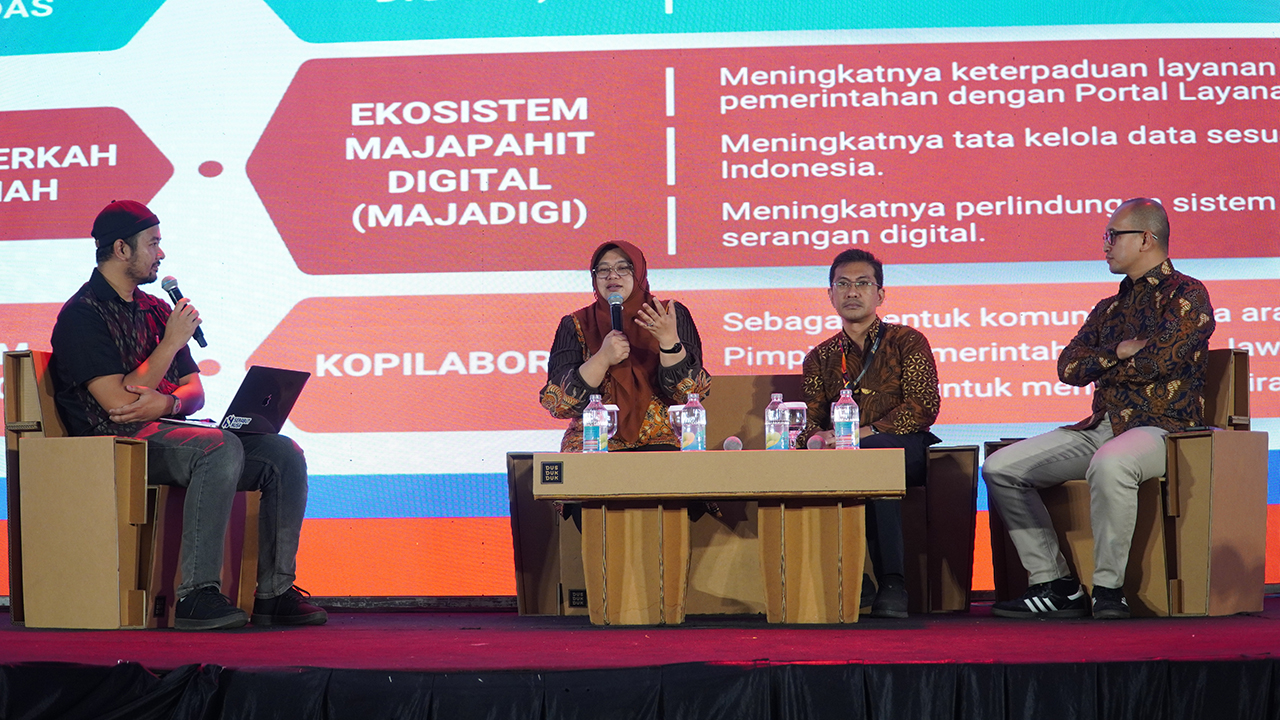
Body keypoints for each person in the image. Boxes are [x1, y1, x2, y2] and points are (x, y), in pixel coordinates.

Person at [49, 199, 327, 631]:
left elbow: (194, 391)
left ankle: (274, 593)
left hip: (164, 429)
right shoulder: (82, 314)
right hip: (111, 441)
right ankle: (196, 595)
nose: (160, 254)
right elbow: (117, 403)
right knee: (217, 448)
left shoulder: (157, 309)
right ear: (121, 249)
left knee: (282, 454)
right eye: (152, 243)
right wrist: (170, 343)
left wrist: (169, 403)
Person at [983, 198, 1214, 620]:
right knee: (1001, 468)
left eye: (1113, 235)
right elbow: (1068, 367)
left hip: (1162, 426)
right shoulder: (1109, 308)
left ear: (1145, 239)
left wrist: (1105, 364)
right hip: (1102, 425)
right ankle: (1055, 584)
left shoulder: (1187, 295)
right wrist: (1118, 352)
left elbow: (1159, 363)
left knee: (1111, 463)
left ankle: (1108, 590)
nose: (1105, 245)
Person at [796, 248, 942, 618]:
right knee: (808, 464)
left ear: (880, 294)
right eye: (842, 284)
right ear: (830, 295)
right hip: (842, 455)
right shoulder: (820, 357)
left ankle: (893, 582)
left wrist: (864, 432)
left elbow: (923, 406)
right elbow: (811, 420)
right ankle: (850, 577)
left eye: (862, 283)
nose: (852, 292)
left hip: (903, 447)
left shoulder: (907, 341)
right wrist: (816, 439)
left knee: (874, 460)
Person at [540, 240, 711, 452]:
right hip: (593, 442)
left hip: (663, 440)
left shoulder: (669, 314)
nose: (612, 275)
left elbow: (692, 394)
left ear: (639, 272)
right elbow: (558, 404)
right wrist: (602, 358)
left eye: (623, 268)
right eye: (603, 270)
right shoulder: (576, 323)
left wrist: (669, 342)